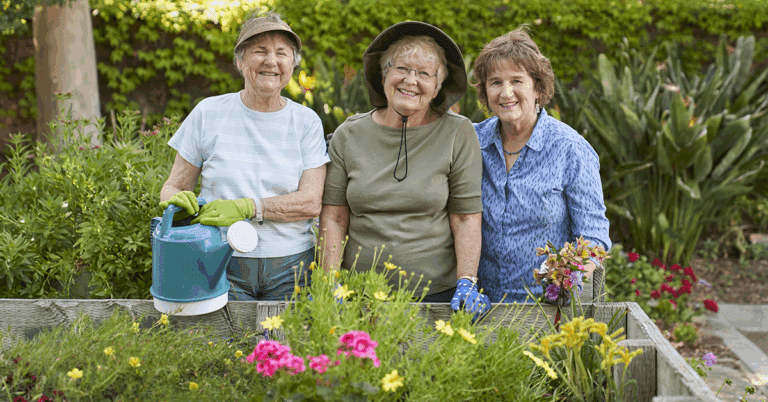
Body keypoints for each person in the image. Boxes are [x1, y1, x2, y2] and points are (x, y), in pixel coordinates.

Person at [319, 21, 490, 317]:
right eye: (401, 68)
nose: (411, 80)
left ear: (437, 87)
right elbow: (334, 217)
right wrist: (328, 284)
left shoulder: (457, 132)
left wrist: (467, 282)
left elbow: (465, 217)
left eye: (425, 73)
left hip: (438, 296)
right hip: (357, 295)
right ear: (384, 75)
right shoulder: (349, 134)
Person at [158, 12, 330, 301]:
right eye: (259, 51)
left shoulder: (306, 121)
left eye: (281, 53)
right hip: (218, 259)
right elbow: (173, 187)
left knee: (286, 344)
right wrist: (174, 201)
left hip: (292, 266)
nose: (271, 61)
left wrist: (248, 207)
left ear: (293, 64)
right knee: (223, 344)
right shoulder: (208, 113)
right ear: (240, 61)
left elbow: (311, 201)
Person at [470, 27, 612, 304]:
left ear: (538, 88)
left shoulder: (570, 149)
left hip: (544, 310)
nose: (505, 92)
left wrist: (565, 279)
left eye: (517, 80)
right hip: (478, 306)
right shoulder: (471, 141)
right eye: (495, 82)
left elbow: (594, 238)